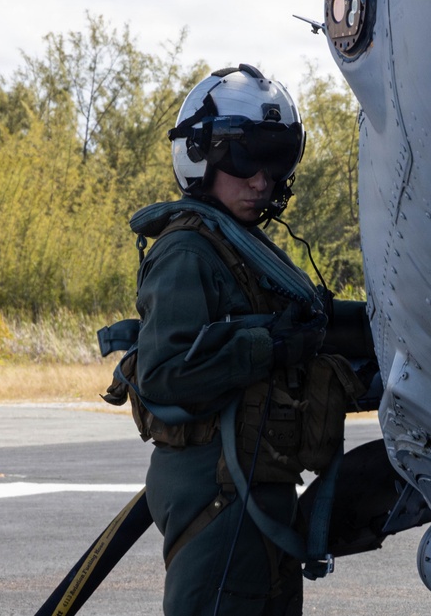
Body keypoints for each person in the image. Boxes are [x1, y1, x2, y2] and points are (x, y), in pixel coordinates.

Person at [129, 64, 361, 616]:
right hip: (217, 489)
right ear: (201, 155)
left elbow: (316, 323)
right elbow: (163, 376)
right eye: (243, 157)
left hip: (255, 484)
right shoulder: (189, 251)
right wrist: (269, 348)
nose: (262, 179)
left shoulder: (246, 250)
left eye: (276, 159)